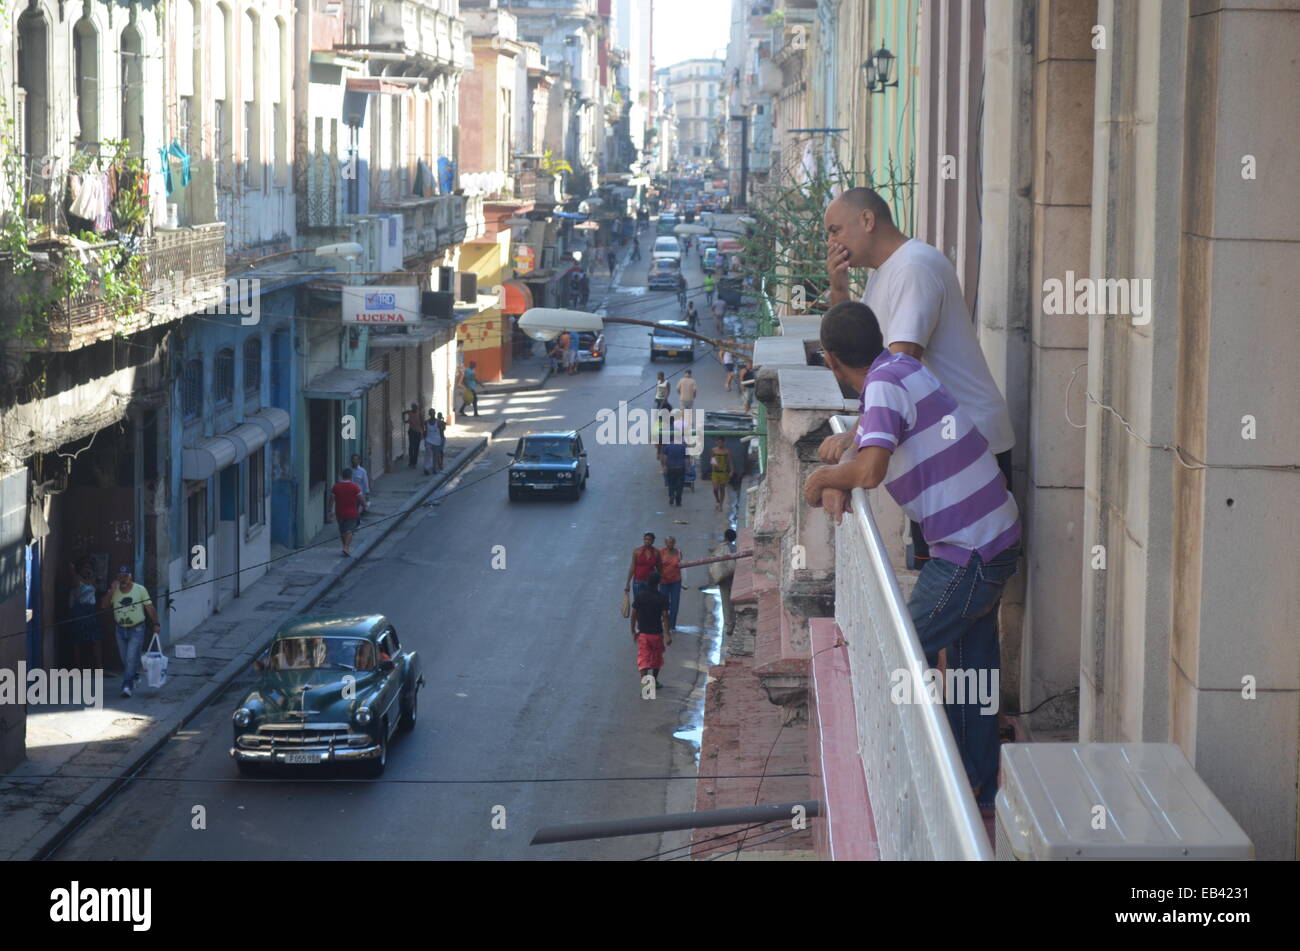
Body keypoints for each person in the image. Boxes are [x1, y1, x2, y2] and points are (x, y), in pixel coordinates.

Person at [803, 300, 1021, 817]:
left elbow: (872, 470)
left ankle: (909, 792)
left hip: (969, 551)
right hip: (992, 536)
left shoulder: (882, 384)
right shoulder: (901, 367)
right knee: (971, 675)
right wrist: (848, 445)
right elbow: (874, 432)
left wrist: (826, 479)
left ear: (832, 361)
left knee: (894, 656)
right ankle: (976, 789)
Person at [824, 186, 1015, 568]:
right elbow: (850, 343)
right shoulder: (887, 272)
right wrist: (839, 288)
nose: (832, 242)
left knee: (959, 577)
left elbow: (900, 367)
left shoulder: (915, 267)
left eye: (835, 230)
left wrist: (857, 437)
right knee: (943, 574)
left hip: (966, 442)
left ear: (867, 220)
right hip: (939, 445)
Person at [100, 565, 160, 698]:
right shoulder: (114, 591)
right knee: (125, 658)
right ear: (117, 578)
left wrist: (156, 623)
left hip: (137, 629)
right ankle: (134, 675)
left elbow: (149, 607)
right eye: (121, 577)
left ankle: (127, 685)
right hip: (120, 629)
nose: (123, 579)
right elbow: (104, 606)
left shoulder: (140, 590)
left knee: (130, 657)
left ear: (130, 576)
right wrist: (111, 591)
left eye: (126, 576)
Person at [630, 571, 671, 690]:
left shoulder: (640, 596)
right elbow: (665, 616)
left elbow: (633, 614)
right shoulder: (662, 598)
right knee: (656, 659)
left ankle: (646, 688)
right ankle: (654, 681)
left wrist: (633, 629)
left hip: (643, 633)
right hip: (657, 633)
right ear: (658, 583)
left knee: (644, 659)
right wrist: (667, 634)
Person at [67, 558, 102, 670]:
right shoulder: (76, 579)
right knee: (77, 641)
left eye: (89, 568)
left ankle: (98, 666)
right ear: (80, 569)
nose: (87, 570)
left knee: (95, 640)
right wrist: (72, 570)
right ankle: (78, 667)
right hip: (80, 611)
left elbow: (97, 589)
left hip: (91, 611)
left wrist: (93, 577)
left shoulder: (91, 580)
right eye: (85, 568)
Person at [709, 529, 739, 637]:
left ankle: (729, 626)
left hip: (724, 579)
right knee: (734, 601)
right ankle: (734, 622)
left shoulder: (720, 547)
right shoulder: (735, 548)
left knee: (726, 602)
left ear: (725, 537)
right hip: (734, 577)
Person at [331, 468, 364, 557]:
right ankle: (346, 547)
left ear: (342, 476)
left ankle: (345, 548)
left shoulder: (336, 486)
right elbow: (360, 499)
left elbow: (332, 499)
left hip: (339, 512)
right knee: (349, 531)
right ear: (350, 476)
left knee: (342, 531)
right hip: (351, 512)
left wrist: (330, 510)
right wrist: (365, 505)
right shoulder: (354, 486)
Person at [624, 532, 661, 600]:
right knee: (638, 602)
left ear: (653, 541)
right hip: (638, 581)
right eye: (645, 539)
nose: (647, 541)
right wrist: (627, 583)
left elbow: (659, 568)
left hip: (651, 582)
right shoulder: (637, 551)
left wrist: (660, 581)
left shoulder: (656, 552)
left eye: (649, 539)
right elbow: (632, 567)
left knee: (651, 602)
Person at [659, 537, 685, 631]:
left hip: (676, 581)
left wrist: (685, 582)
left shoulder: (678, 552)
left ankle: (672, 625)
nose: (670, 544)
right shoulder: (661, 552)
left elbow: (682, 565)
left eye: (671, 542)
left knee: (675, 604)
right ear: (665, 543)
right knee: (664, 603)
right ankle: (664, 621)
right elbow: (658, 565)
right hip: (664, 581)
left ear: (674, 543)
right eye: (668, 542)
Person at [709, 437, 733, 512]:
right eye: (718, 442)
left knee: (722, 489)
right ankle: (717, 500)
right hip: (715, 473)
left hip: (723, 473)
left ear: (724, 443)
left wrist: (732, 470)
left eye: (721, 442)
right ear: (716, 442)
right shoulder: (714, 450)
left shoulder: (726, 452)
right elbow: (712, 459)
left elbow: (730, 462)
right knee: (715, 489)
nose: (719, 444)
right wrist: (713, 465)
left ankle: (721, 505)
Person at [662, 438, 687, 507]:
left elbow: (665, 457)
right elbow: (686, 458)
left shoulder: (668, 445)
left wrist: (664, 466)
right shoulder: (683, 446)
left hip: (671, 468)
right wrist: (687, 468)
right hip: (680, 468)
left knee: (671, 483)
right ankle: (678, 500)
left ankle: (671, 495)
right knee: (680, 485)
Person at [423, 409, 444, 474]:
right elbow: (425, 431)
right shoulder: (426, 422)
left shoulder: (439, 422)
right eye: (431, 413)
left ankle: (434, 468)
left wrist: (442, 440)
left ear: (434, 413)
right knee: (428, 454)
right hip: (428, 440)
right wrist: (425, 439)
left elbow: (441, 431)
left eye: (433, 413)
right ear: (429, 414)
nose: (432, 414)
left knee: (435, 456)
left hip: (437, 441)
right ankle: (426, 468)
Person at [403, 402, 423, 468]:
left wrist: (423, 433)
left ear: (417, 408)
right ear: (412, 407)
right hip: (411, 432)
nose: (414, 408)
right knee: (411, 447)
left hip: (418, 432)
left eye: (415, 407)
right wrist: (404, 420)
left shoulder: (419, 414)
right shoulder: (410, 412)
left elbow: (422, 423)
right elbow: (403, 413)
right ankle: (411, 462)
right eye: (413, 407)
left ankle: (414, 463)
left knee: (416, 447)